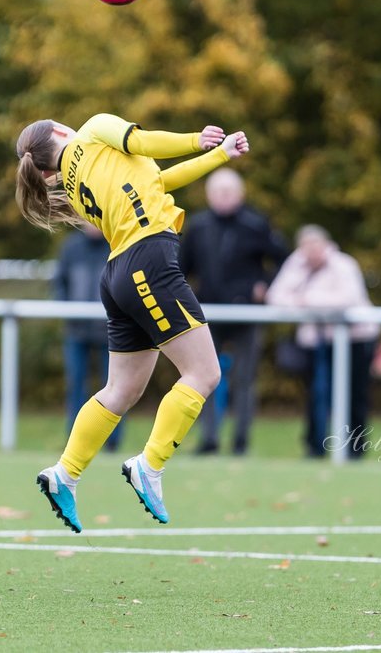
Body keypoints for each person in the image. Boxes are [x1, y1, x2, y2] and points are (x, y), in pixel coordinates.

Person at [15, 113, 249, 532]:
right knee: (204, 373)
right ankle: (150, 466)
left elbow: (158, 182)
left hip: (119, 273)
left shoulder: (75, 178)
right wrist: (197, 139)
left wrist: (219, 156)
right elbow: (145, 143)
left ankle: (64, 474)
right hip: (150, 261)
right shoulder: (92, 130)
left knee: (122, 389)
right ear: (59, 133)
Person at [179, 168, 289, 455]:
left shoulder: (256, 224)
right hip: (206, 315)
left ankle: (241, 442)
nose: (223, 198)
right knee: (204, 378)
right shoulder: (199, 226)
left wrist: (265, 286)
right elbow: (180, 268)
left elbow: (283, 261)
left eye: (229, 192)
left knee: (244, 379)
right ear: (209, 195)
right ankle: (209, 440)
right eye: (218, 192)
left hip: (246, 315)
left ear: (240, 194)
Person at [265, 225, 380, 459]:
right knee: (316, 394)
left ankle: (354, 449)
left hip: (354, 339)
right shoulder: (296, 265)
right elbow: (276, 296)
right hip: (317, 341)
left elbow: (349, 298)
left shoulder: (343, 265)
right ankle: (315, 446)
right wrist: (306, 303)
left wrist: (307, 301)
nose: (311, 253)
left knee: (353, 394)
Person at [53, 224, 122, 452]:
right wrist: (66, 312)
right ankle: (75, 440)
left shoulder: (117, 245)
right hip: (77, 330)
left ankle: (111, 441)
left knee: (115, 386)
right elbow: (59, 283)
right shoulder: (71, 247)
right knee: (76, 384)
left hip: (111, 331)